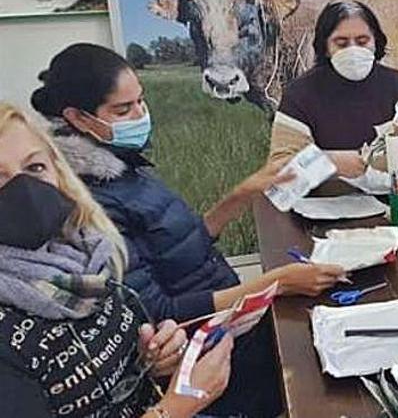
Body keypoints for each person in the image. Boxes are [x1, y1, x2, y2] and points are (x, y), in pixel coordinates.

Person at [31, 43, 346, 417]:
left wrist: (240, 195)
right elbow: (160, 312)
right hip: (207, 357)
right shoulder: (92, 203)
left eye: (141, 102)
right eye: (123, 109)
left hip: (236, 327)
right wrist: (277, 281)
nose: (140, 115)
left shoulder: (122, 167)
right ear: (78, 118)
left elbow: (179, 246)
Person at [0, 102, 232, 418]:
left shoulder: (87, 255)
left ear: (58, 171)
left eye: (34, 167)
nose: (23, 189)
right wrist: (176, 407)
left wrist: (153, 360)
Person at [269, 0, 398, 176]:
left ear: (375, 42)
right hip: (326, 203)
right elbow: (278, 169)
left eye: (362, 41)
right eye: (341, 43)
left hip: (391, 201)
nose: (353, 50)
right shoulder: (301, 93)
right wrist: (328, 163)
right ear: (325, 47)